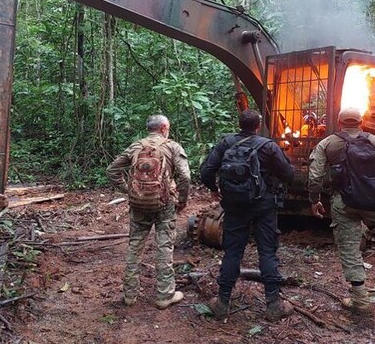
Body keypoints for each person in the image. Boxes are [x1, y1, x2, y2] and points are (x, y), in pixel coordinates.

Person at [307, 107, 375, 313]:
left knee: (349, 248)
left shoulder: (328, 143)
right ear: (361, 122)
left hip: (343, 203)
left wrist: (315, 200)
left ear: (339, 123)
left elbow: (314, 177)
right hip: (374, 202)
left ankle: (360, 300)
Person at [200, 109, 295, 321]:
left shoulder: (226, 143)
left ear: (239, 124)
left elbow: (206, 171)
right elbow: (288, 174)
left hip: (234, 205)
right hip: (264, 206)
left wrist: (215, 189)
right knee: (267, 252)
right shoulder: (268, 146)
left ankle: (222, 302)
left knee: (233, 252)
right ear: (258, 126)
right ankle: (273, 305)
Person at [107, 114, 191, 310]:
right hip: (164, 204)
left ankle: (129, 295)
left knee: (135, 247)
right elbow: (185, 177)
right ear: (163, 128)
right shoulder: (172, 146)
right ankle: (164, 296)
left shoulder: (136, 146)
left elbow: (112, 170)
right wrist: (182, 200)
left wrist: (129, 191)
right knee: (164, 247)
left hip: (138, 205)